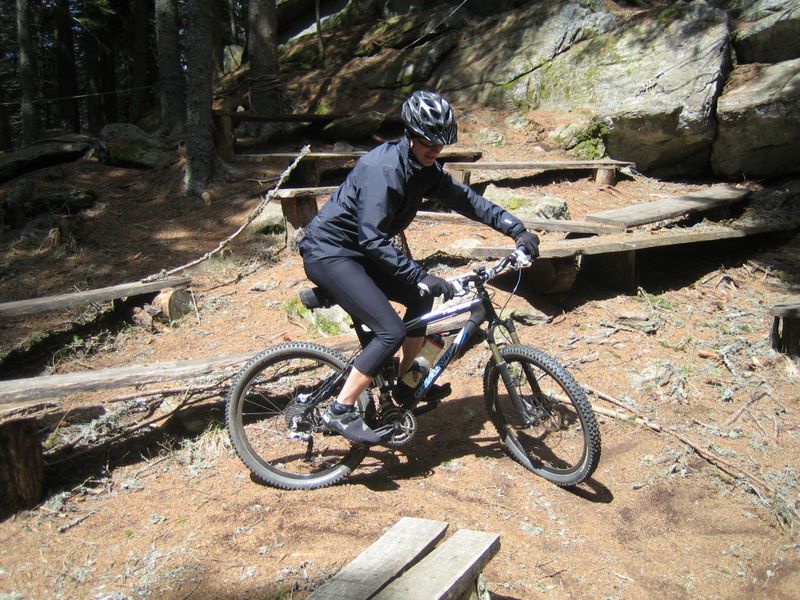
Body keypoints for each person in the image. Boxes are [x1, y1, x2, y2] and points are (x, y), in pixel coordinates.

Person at [299, 90, 540, 444]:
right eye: (429, 142)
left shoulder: (424, 168)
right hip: (331, 253)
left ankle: (408, 380)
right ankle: (341, 408)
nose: (435, 149)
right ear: (411, 134)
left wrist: (516, 229)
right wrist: (418, 274)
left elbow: (469, 201)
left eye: (441, 144)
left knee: (420, 297)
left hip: (362, 253)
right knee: (390, 331)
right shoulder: (384, 170)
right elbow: (371, 237)